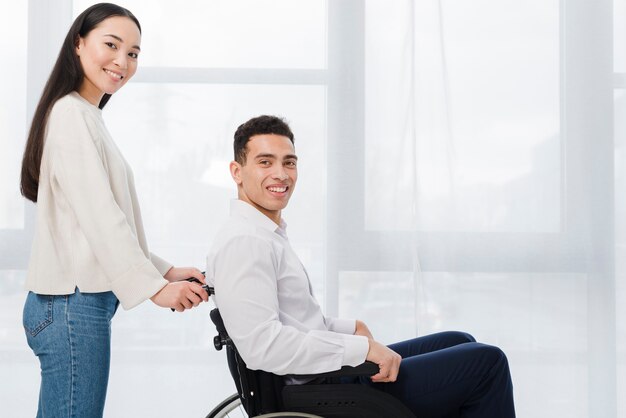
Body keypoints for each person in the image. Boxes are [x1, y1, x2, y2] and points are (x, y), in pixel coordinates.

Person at [205, 115, 516, 417]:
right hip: (315, 389)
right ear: (237, 171)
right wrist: (361, 350)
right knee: (486, 363)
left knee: (458, 341)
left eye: (289, 162)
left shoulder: (264, 235)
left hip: (321, 375)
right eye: (265, 162)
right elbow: (264, 345)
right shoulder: (245, 242)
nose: (281, 174)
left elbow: (294, 321)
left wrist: (349, 328)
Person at [20, 3, 209, 417]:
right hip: (71, 305)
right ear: (78, 44)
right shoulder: (71, 113)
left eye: (134, 53)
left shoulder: (84, 114)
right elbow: (100, 218)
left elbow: (104, 220)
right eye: (112, 44)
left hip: (73, 304)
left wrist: (163, 269)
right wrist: (156, 289)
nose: (123, 61)